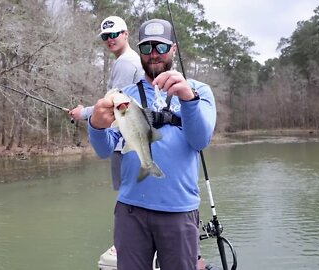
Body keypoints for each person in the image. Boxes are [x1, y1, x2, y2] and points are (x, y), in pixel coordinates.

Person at [88, 18, 217, 270]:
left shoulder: (199, 91)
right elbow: (104, 150)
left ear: (174, 49)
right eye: (146, 48)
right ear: (140, 51)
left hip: (179, 211)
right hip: (131, 211)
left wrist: (188, 100)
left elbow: (200, 140)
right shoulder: (125, 94)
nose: (154, 54)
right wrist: (95, 126)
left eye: (161, 47)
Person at [69, 15, 144, 190]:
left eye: (114, 34)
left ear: (126, 34)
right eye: (105, 36)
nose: (109, 40)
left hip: (126, 141)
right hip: (132, 138)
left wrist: (83, 113)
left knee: (126, 195)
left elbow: (114, 106)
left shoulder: (125, 62)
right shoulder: (130, 60)